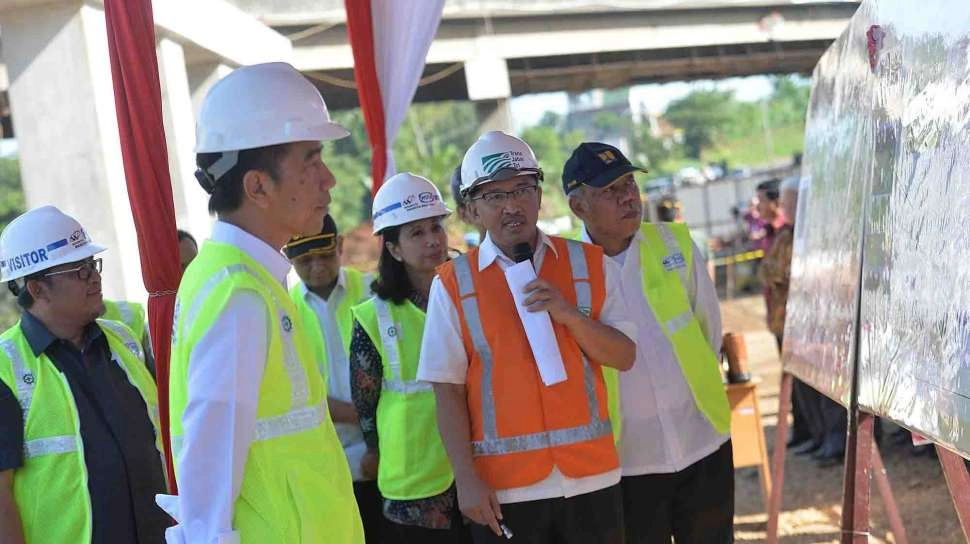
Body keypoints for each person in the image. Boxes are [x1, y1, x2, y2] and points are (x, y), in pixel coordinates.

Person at [158, 62, 364, 543]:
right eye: (311, 161)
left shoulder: (245, 278)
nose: (329, 178)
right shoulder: (240, 295)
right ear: (257, 186)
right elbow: (209, 458)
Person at [418, 131, 637, 544]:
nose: (511, 205)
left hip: (591, 476)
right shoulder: (452, 284)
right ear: (472, 208)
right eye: (493, 196)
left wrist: (571, 317)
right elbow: (446, 391)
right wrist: (465, 479)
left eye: (521, 189)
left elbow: (624, 356)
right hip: (505, 489)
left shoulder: (587, 263)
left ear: (539, 194)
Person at [564, 142, 734, 543]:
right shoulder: (566, 270)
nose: (627, 197)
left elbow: (709, 330)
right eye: (609, 191)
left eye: (629, 184)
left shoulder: (674, 245)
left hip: (702, 440)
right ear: (578, 207)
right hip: (626, 462)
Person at [0, 206, 169, 543]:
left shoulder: (122, 340)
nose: (95, 276)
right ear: (38, 289)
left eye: (93, 265)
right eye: (79, 269)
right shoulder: (6, 367)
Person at [350, 173, 470, 543]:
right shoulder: (374, 316)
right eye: (416, 233)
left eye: (436, 227)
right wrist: (374, 450)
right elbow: (365, 407)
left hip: (480, 471)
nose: (433, 239)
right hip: (413, 489)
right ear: (394, 248)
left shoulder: (473, 293)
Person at [284, 215, 382, 542]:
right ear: (289, 258)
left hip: (383, 453)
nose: (316, 267)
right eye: (304, 260)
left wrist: (374, 433)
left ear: (339, 246)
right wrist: (357, 413)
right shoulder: (284, 311)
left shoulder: (373, 292)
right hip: (325, 465)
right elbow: (289, 392)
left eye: (324, 256)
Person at [449, 165, 485, 247]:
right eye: (495, 196)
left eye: (519, 192)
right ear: (464, 214)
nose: (510, 208)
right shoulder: (465, 260)